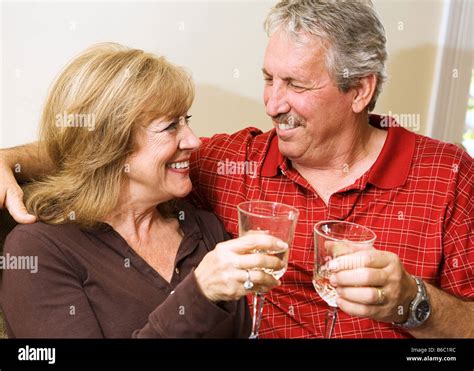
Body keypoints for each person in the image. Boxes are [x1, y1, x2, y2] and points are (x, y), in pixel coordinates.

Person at [1, 1, 473, 338]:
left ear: (360, 91)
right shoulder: (227, 164)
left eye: (295, 84)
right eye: (268, 78)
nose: (271, 103)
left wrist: (414, 303)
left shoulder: (449, 176)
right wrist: (6, 160)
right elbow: (107, 143)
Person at [0, 42, 287, 338]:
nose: (193, 141)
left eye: (185, 121)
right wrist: (198, 294)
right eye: (169, 127)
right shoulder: (40, 249)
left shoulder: (204, 229)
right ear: (111, 144)